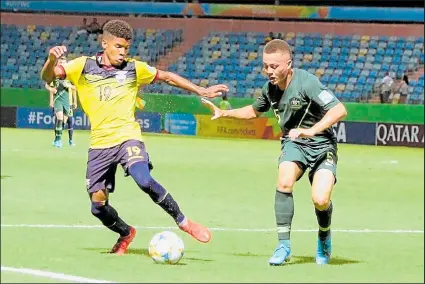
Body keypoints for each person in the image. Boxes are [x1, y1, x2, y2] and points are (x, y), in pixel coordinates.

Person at [41, 19, 228, 255]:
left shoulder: (133, 69)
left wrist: (200, 90)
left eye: (126, 48)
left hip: (128, 136)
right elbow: (48, 77)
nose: (123, 52)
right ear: (104, 43)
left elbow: (167, 76)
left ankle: (183, 221)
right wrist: (50, 60)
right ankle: (126, 233)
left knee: (144, 180)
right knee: (98, 207)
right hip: (99, 144)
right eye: (118, 46)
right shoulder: (82, 66)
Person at [202, 39, 347, 265]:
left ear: (288, 64)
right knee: (284, 182)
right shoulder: (268, 89)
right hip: (294, 142)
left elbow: (339, 109)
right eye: (265, 66)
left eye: (274, 66)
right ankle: (283, 245)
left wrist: (311, 131)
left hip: (322, 145)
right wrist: (224, 114)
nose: (269, 71)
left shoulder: (307, 82)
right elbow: (253, 111)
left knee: (320, 199)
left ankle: (324, 233)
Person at [44, 56, 77, 147]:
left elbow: (76, 88)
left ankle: (57, 139)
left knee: (64, 122)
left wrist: (69, 86)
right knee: (59, 118)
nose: (62, 63)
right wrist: (51, 89)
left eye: (63, 62)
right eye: (60, 62)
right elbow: (46, 84)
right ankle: (58, 140)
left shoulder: (70, 75)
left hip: (67, 101)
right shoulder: (54, 74)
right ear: (58, 63)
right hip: (58, 99)